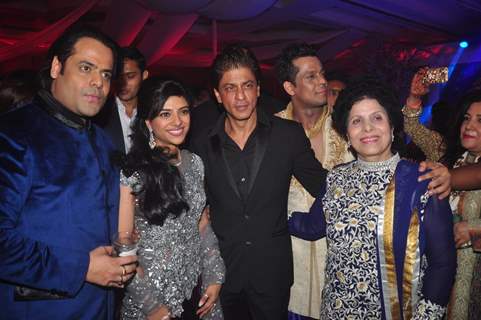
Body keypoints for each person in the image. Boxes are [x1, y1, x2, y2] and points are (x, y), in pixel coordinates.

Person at [289, 78, 457, 319]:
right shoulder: (336, 179)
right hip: (337, 312)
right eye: (356, 121)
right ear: (346, 133)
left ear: (392, 127)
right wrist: (268, 214)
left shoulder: (422, 180)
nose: (367, 128)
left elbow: (443, 263)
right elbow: (314, 226)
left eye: (377, 118)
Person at [0, 25, 138, 319]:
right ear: (56, 67)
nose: (98, 82)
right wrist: (82, 268)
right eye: (86, 68)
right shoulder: (14, 134)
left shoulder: (103, 141)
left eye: (105, 74)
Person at [189, 44, 328, 320]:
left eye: (248, 86)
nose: (241, 97)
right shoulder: (201, 143)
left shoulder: (287, 135)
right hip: (222, 274)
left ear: (258, 89)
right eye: (230, 88)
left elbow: (326, 185)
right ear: (217, 95)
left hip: (272, 274)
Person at [117, 78, 224, 320]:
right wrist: (153, 307)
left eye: (184, 112)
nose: (178, 122)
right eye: (166, 114)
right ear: (148, 122)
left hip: (195, 295)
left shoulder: (195, 163)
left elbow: (201, 224)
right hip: (150, 300)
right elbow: (124, 248)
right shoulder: (133, 173)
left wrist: (214, 275)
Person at [274, 43, 353, 319]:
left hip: (343, 270)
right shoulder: (268, 133)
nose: (322, 82)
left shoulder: (350, 128)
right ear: (289, 87)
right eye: (311, 76)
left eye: (322, 74)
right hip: (289, 276)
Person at [442, 91, 481, 319]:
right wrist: (414, 100)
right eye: (467, 118)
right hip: (444, 274)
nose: (469, 125)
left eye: (480, 120)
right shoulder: (450, 159)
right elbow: (414, 128)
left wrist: (473, 228)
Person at [95, 46, 149, 153]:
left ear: (144, 75)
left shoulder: (152, 111)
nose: (123, 83)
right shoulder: (99, 111)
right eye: (118, 77)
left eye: (130, 76)